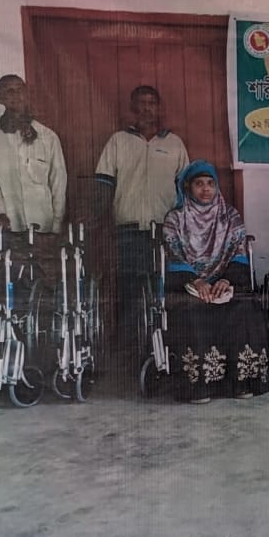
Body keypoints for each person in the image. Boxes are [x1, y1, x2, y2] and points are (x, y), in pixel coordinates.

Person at [161, 160, 269, 402]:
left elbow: (239, 252)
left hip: (225, 282)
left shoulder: (230, 216)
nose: (206, 189)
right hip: (188, 284)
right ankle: (200, 387)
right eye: (199, 184)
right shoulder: (175, 219)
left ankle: (242, 382)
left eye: (210, 183)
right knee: (191, 309)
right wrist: (197, 281)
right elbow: (173, 254)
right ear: (187, 187)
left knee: (244, 307)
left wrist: (227, 280)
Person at [95, 85, 188, 351]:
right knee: (129, 292)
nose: (146, 108)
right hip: (128, 230)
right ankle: (130, 352)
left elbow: (185, 189)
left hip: (165, 232)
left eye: (151, 103)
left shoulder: (174, 143)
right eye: (141, 103)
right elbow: (103, 184)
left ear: (159, 108)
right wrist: (98, 220)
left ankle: (166, 349)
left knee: (165, 289)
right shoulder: (118, 141)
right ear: (133, 108)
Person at [0, 74, 67, 282]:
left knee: (45, 281)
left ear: (27, 95)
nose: (15, 95)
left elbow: (58, 182)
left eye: (20, 90)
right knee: (14, 279)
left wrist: (56, 225)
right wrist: (0, 212)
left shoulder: (47, 136)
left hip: (43, 225)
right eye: (9, 91)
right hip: (10, 225)